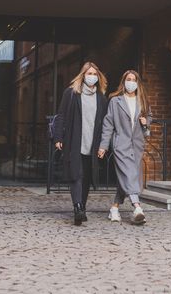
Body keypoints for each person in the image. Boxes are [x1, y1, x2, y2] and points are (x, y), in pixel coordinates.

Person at [54, 61, 107, 226]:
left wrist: (103, 145)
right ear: (82, 75)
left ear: (98, 77)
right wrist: (58, 137)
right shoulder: (71, 93)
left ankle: (81, 207)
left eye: (94, 74)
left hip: (93, 142)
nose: (92, 77)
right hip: (74, 140)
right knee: (76, 174)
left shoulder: (101, 97)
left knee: (87, 177)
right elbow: (61, 115)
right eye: (89, 74)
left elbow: (105, 122)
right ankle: (77, 207)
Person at [98, 70, 152, 225]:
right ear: (123, 82)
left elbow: (150, 117)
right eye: (128, 79)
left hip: (137, 143)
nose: (131, 82)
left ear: (138, 83)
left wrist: (145, 123)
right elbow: (108, 124)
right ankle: (137, 207)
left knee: (129, 176)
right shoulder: (115, 101)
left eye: (134, 79)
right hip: (120, 143)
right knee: (129, 174)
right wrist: (103, 146)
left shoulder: (142, 100)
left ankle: (114, 208)